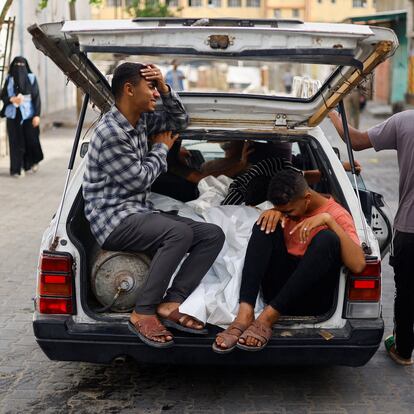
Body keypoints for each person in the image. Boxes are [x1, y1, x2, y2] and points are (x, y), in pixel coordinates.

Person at [83, 62, 225, 348]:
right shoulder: (111, 133)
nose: (155, 96)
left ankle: (170, 303)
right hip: (113, 221)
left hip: (138, 213)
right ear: (128, 89)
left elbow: (180, 121)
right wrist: (161, 148)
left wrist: (164, 86)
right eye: (150, 88)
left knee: (212, 235)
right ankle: (143, 311)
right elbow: (138, 180)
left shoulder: (141, 120)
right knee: (179, 233)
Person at [213, 169, 365, 353]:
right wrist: (274, 213)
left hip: (312, 298)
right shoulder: (286, 209)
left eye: (289, 211)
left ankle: (266, 319)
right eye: (280, 209)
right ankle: (245, 313)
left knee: (328, 238)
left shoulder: (337, 215)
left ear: (307, 198)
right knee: (264, 225)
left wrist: (329, 221)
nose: (286, 214)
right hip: (278, 293)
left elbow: (358, 265)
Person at [328, 108, 414, 366]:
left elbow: (354, 140)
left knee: (407, 292)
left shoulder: (405, 120)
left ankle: (403, 349)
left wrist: (332, 111)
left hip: (411, 228)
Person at [0, 56, 43, 177]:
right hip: (12, 116)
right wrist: (11, 99)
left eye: (21, 65)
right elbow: (2, 96)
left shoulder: (31, 78)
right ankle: (16, 169)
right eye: (16, 65)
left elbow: (36, 99)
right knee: (15, 143)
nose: (19, 68)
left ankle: (30, 163)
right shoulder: (9, 79)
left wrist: (37, 115)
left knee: (30, 140)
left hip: (28, 115)